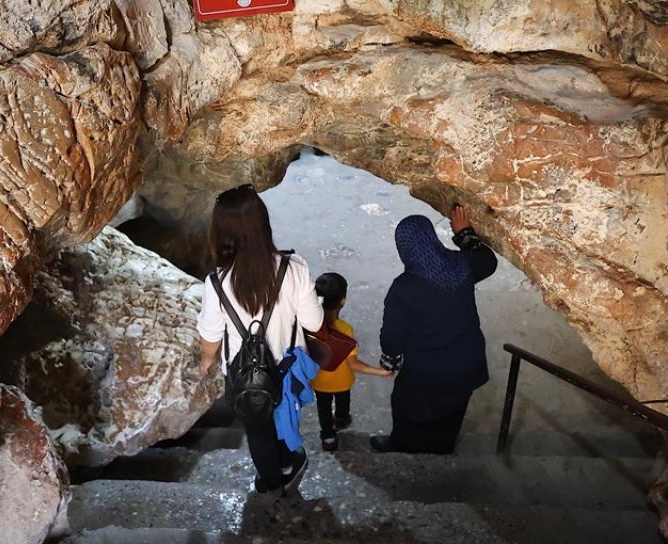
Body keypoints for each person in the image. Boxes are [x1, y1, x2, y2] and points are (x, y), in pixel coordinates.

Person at [196, 184, 325, 494]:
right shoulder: (294, 268)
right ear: (263, 224)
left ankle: (269, 482)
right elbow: (315, 322)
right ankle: (289, 462)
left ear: (221, 232)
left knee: (257, 429)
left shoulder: (217, 282)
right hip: (284, 369)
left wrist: (205, 363)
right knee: (282, 414)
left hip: (242, 377)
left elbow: (210, 339)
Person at [373, 204, 497, 454]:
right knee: (454, 408)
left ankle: (402, 444)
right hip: (467, 363)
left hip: (427, 371)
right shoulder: (461, 265)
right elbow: (488, 262)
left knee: (407, 405)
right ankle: (442, 448)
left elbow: (392, 338)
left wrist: (390, 361)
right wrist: (464, 234)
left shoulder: (403, 288)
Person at [310, 272, 393, 452]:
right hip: (342, 382)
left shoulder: (307, 326)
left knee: (323, 409)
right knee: (343, 402)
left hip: (318, 381)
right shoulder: (345, 329)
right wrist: (381, 371)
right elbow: (353, 364)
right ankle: (341, 418)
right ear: (343, 301)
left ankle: (329, 438)